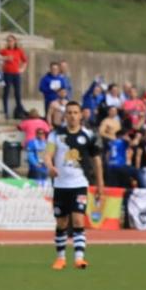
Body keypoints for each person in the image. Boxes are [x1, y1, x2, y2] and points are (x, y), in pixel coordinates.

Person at [44, 101, 103, 270]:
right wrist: (50, 166)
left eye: (75, 112)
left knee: (78, 219)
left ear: (80, 115)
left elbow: (97, 162)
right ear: (65, 115)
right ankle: (61, 258)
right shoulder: (55, 135)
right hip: (61, 185)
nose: (72, 115)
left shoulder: (89, 136)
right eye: (69, 112)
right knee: (62, 222)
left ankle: (79, 258)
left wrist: (100, 185)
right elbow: (48, 154)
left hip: (79, 184)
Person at [0, 34, 27, 119]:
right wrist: (4, 59)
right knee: (6, 92)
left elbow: (25, 61)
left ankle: (19, 111)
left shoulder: (19, 51)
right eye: (8, 41)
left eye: (11, 41)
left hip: (16, 73)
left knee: (17, 93)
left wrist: (22, 69)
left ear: (15, 42)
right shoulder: (4, 51)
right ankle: (5, 111)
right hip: (7, 73)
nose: (10, 42)